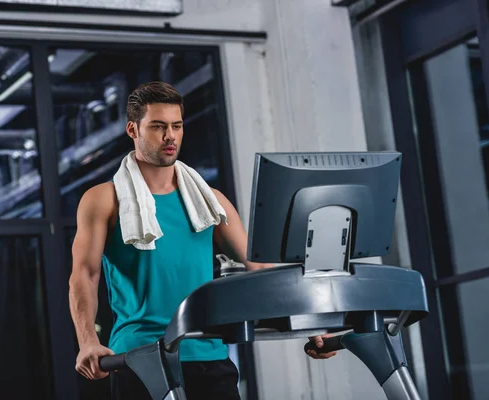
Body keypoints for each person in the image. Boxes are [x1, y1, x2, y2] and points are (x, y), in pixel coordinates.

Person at [68, 81, 336, 400]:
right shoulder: (104, 200)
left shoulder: (211, 202)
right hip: (141, 361)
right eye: (157, 126)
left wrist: (311, 321)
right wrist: (87, 341)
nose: (170, 136)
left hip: (209, 357)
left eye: (176, 126)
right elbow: (85, 274)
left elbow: (259, 268)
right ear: (132, 129)